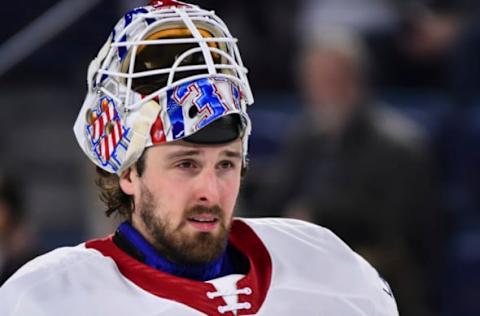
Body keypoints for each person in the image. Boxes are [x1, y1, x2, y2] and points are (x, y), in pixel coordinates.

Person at [0, 1, 398, 315]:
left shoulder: (326, 265)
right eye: (185, 164)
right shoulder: (47, 299)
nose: (210, 190)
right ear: (127, 172)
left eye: (226, 163)